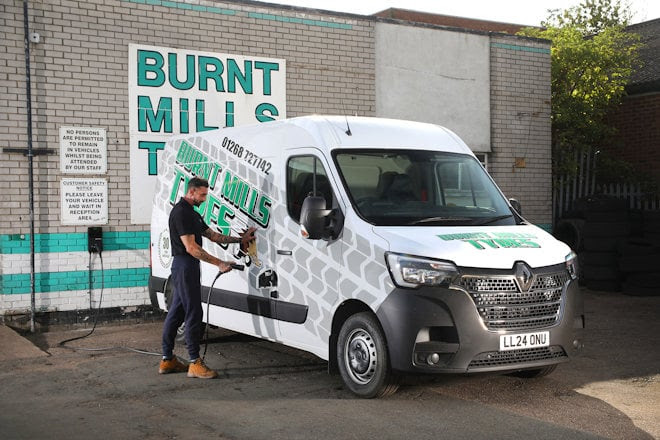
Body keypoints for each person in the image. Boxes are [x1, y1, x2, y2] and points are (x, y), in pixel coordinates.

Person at [158, 177, 256, 379]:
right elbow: (191, 248)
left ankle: (167, 360)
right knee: (194, 311)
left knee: (176, 311)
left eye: (205, 194)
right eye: (202, 195)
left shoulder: (192, 214)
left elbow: (213, 235)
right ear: (191, 191)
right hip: (185, 265)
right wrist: (219, 263)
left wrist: (241, 240)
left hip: (187, 267)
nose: (204, 199)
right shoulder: (182, 213)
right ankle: (194, 362)